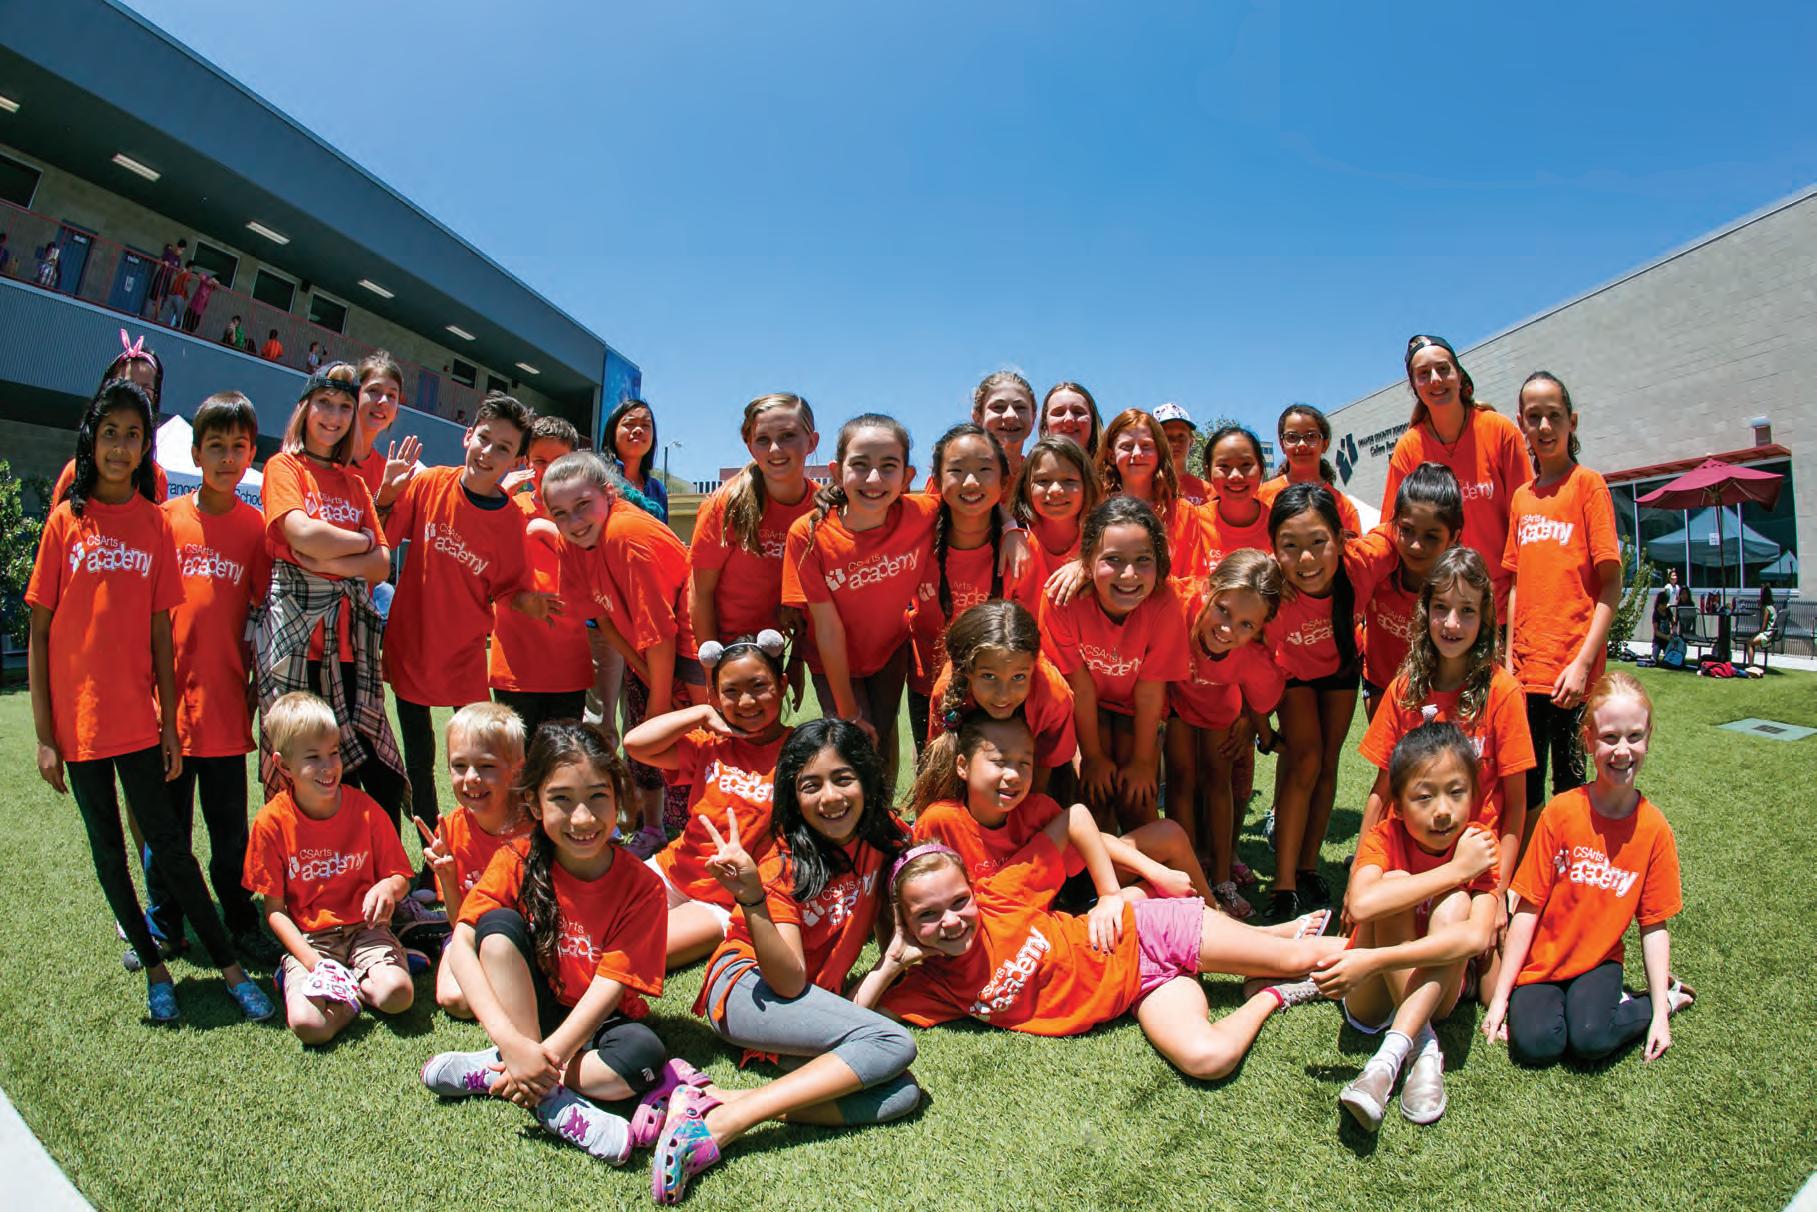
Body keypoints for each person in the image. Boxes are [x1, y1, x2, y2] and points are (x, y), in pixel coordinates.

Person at [27, 379, 273, 1025]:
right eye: (109, 432)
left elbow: (189, 625)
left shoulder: (185, 524)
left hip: (176, 714)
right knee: (127, 846)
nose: (120, 446)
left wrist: (237, 694)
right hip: (108, 721)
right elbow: (46, 627)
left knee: (197, 838)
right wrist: (46, 733)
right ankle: (159, 949)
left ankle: (232, 945)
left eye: (132, 435)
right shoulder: (89, 521)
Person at [649, 720, 919, 1203]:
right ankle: (726, 1124)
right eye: (810, 785)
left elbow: (901, 883)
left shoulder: (883, 834)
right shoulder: (782, 865)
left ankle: (710, 1101)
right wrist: (752, 899)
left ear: (867, 780)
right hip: (745, 987)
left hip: (802, 998)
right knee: (890, 1042)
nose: (830, 798)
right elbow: (789, 982)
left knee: (901, 1094)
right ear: (793, 797)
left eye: (843, 778)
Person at [859, 826, 1345, 1080]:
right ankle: (1270, 994)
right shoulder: (931, 984)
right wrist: (891, 961)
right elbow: (854, 1020)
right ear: (905, 921)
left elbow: (1074, 819)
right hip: (1141, 990)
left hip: (1149, 932)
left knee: (1300, 959)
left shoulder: (1000, 896)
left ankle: (1376, 958)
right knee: (1208, 1058)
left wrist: (1112, 895)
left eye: (958, 901)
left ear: (972, 890)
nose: (950, 921)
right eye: (927, 915)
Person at [421, 722, 671, 1165]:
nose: (583, 818)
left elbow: (611, 984)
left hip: (598, 1018)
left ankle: (509, 1072)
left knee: (644, 1059)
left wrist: (545, 1058)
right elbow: (461, 943)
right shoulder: (516, 859)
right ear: (534, 803)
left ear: (618, 797)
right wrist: (512, 1041)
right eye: (561, 799)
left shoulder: (642, 887)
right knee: (495, 930)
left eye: (597, 796)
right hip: (530, 1013)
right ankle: (544, 1093)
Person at [1481, 672, 1695, 1064]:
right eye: (1610, 737)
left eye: (1634, 736)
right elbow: (1527, 908)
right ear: (1588, 740)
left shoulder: (1654, 829)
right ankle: (1582, 1006)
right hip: (1545, 961)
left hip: (1599, 963)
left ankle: (1663, 998)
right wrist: (1500, 998)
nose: (1622, 750)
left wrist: (1659, 1018)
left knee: (1590, 1039)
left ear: (1648, 737)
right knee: (1535, 1045)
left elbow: (1653, 925)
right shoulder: (1561, 812)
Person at [142, 391, 278, 966]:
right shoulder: (165, 520)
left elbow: (264, 617)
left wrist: (255, 691)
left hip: (225, 710)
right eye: (215, 446)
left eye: (238, 447)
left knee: (229, 835)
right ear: (195, 453)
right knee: (165, 832)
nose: (227, 457)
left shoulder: (256, 531)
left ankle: (240, 920)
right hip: (166, 712)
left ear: (250, 455)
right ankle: (164, 923)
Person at [1313, 723, 1503, 1131]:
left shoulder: (1479, 843)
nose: (1443, 810)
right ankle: (1424, 1046)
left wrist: (1375, 959)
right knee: (1395, 883)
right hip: (1371, 999)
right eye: (1424, 796)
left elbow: (1475, 937)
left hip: (1434, 994)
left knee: (1456, 903)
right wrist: (1456, 871)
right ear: (1398, 805)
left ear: (1474, 794)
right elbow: (1361, 903)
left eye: (1456, 792)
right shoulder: (1386, 836)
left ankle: (1387, 1061)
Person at [383, 393, 553, 836]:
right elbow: (384, 541)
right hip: (411, 646)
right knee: (419, 756)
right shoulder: (429, 484)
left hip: (464, 656)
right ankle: (431, 849)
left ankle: (486, 839)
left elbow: (510, 587)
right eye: (484, 439)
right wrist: (385, 495)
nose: (489, 453)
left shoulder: (510, 520)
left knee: (481, 753)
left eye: (504, 448)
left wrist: (529, 601)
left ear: (515, 460)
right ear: (467, 437)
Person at [254, 363, 407, 821]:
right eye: (324, 403)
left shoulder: (355, 483)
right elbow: (301, 533)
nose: (334, 416)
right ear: (305, 409)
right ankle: (305, 859)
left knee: (379, 773)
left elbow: (381, 565)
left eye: (344, 406)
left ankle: (377, 859)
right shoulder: (284, 467)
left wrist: (329, 559)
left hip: (349, 650)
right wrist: (361, 542)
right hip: (297, 650)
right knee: (305, 774)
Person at [1354, 547, 1535, 923]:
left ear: (1485, 617)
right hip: (1407, 859)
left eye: (1467, 610)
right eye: (1441, 608)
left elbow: (1517, 804)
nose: (1452, 623)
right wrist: (1358, 875)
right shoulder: (1405, 689)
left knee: (1457, 924)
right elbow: (1381, 792)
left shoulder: (1503, 693)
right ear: (1425, 611)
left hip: (1474, 867)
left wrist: (1498, 892)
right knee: (1376, 923)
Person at [544, 450, 705, 856]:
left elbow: (663, 634)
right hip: (648, 654)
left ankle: (705, 839)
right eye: (560, 513)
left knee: (695, 748)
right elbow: (603, 619)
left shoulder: (625, 535)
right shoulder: (571, 543)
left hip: (688, 650)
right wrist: (643, 676)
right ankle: (661, 831)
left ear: (609, 493)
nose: (574, 522)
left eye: (583, 505)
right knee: (647, 746)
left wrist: (659, 705)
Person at [245, 692, 414, 1043]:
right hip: (311, 941)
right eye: (313, 757)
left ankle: (364, 978)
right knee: (309, 1026)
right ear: (283, 766)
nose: (329, 766)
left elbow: (401, 877)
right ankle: (350, 993)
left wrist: (387, 887)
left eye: (334, 752)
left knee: (398, 996)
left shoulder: (365, 809)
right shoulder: (271, 823)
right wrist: (313, 964)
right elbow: (274, 911)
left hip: (366, 929)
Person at [1262, 483, 1397, 919]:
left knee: (1327, 763)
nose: (1306, 559)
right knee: (1305, 760)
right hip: (1291, 674)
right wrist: (1260, 725)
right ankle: (1284, 885)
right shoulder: (1269, 589)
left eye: (1318, 542)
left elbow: (1406, 529)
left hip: (1340, 668)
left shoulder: (1362, 562)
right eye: (1290, 545)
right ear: (1273, 550)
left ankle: (1307, 867)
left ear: (1340, 540)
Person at [782, 414, 935, 788]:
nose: (874, 479)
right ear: (836, 472)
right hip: (832, 658)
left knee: (881, 739)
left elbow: (978, 501)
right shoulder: (809, 534)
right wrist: (848, 711)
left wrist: (1011, 528)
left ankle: (881, 816)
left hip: (889, 652)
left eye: (889, 466)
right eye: (860, 465)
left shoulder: (922, 514)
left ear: (908, 476)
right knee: (850, 743)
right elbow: (827, 628)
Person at [910, 710, 1208, 902]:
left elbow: (1092, 839)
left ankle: (1212, 909)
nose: (1013, 775)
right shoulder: (940, 822)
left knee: (1168, 833)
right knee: (1145, 897)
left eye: (1025, 763)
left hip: (1076, 886)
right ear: (962, 766)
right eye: (999, 762)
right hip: (1044, 918)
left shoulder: (1035, 808)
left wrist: (1156, 872)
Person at [623, 632, 793, 968]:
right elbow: (635, 744)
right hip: (672, 871)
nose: (746, 701)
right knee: (588, 917)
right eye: (731, 691)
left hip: (724, 899)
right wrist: (700, 712)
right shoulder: (711, 745)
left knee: (636, 950)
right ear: (715, 695)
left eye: (759, 686)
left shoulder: (799, 752)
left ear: (782, 684)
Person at [1504, 371, 1622, 832]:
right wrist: (1509, 662)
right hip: (1526, 673)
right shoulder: (1521, 499)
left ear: (1572, 421)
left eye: (1554, 415)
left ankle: (1565, 868)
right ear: (1522, 423)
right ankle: (1528, 870)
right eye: (1534, 416)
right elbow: (1515, 586)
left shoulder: (1588, 486)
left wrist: (1582, 664)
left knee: (1571, 785)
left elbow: (1610, 586)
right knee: (1525, 786)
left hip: (1573, 674)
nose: (1544, 426)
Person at [1038, 497, 1190, 831]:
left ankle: (1146, 854)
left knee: (1137, 798)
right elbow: (1080, 688)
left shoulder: (1164, 603)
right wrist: (1091, 757)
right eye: (1113, 560)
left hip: (1134, 708)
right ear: (1087, 561)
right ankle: (1093, 856)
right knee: (1094, 794)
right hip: (1084, 705)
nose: (1129, 574)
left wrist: (1143, 762)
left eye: (1143, 560)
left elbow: (1150, 693)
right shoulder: (1062, 600)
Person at [1167, 550, 1286, 919]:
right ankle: (1184, 874)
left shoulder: (1256, 658)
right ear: (1210, 589)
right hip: (1175, 701)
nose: (1228, 629)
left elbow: (1261, 699)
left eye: (1246, 624)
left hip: (1219, 708)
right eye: (1223, 610)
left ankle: (1221, 880)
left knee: (1217, 780)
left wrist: (1253, 725)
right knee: (1180, 779)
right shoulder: (1177, 602)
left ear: (1260, 629)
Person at [1383, 335, 1533, 616]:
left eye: (1443, 369)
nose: (1435, 379)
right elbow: (1391, 528)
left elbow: (1526, 521)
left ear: (1460, 375)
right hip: (1441, 610)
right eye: (1423, 374)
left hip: (1501, 605)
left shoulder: (1499, 431)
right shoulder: (1408, 447)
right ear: (1414, 386)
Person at [419, 703, 534, 1018]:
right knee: (454, 999)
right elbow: (459, 921)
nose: (471, 778)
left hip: (525, 938)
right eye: (459, 765)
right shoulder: (452, 830)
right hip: (472, 934)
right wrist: (447, 876)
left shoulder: (537, 825)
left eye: (486, 766)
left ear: (517, 770)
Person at [907, 423, 1013, 751]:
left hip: (998, 689)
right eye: (956, 470)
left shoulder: (1019, 549)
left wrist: (1012, 528)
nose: (970, 482)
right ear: (937, 481)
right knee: (933, 768)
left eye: (984, 469)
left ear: (1004, 481)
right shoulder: (916, 533)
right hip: (927, 682)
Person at [490, 415, 597, 736]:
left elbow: (597, 577)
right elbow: (478, 566)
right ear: (525, 461)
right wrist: (497, 498)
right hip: (516, 665)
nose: (549, 470)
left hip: (568, 666)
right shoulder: (508, 507)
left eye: (559, 461)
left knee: (562, 760)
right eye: (539, 461)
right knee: (517, 760)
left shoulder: (590, 515)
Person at [688, 393, 820, 651]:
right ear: (750, 447)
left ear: (812, 442)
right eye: (763, 440)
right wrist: (713, 664)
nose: (775, 449)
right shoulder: (728, 503)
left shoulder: (821, 507)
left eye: (788, 436)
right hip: (711, 642)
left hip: (767, 645)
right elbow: (700, 592)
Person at [923, 601, 1075, 796]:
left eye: (1018, 677)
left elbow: (1042, 774)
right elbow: (943, 771)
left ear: (1033, 667)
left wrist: (1025, 811)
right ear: (966, 671)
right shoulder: (946, 692)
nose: (1003, 695)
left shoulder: (1053, 698)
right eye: (989, 676)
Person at [1364, 463, 1463, 720]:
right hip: (1380, 681)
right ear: (1394, 523)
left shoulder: (1460, 585)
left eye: (1431, 536)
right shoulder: (1378, 566)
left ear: (1454, 537)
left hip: (1434, 687)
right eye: (1407, 531)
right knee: (1387, 748)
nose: (1416, 546)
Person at [1096, 408, 1209, 589]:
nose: (1137, 453)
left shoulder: (1183, 512)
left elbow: (1195, 580)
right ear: (1111, 455)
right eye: (1127, 446)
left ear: (1159, 453)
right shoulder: (1096, 509)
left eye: (1146, 446)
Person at [53, 332, 170, 505]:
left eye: (145, 392)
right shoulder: (75, 471)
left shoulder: (157, 478)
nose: (134, 400)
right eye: (126, 386)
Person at [1007, 435, 1099, 614]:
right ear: (1026, 487)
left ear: (1087, 486)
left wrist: (1087, 565)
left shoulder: (1103, 540)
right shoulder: (1016, 541)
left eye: (1069, 481)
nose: (1056, 490)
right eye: (1043, 481)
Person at [1259, 403, 1362, 535]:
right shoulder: (1261, 496)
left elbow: (1353, 547)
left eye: (1311, 436)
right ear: (1282, 445)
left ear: (1325, 444)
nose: (1302, 444)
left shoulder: (1343, 506)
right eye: (1292, 437)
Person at [348, 349, 421, 512]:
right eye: (374, 390)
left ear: (396, 412)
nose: (383, 401)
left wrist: (385, 498)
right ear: (354, 395)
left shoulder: (390, 476)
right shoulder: (321, 454)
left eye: (391, 396)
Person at [603, 397, 668, 522]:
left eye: (645, 425)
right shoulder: (596, 478)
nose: (638, 430)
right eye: (629, 424)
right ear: (612, 432)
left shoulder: (658, 490)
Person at [970, 370, 1037, 480]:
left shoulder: (1041, 478)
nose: (1011, 415)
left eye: (1020, 407)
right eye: (998, 407)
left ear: (1033, 417)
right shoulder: (959, 475)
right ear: (978, 418)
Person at [1153, 402, 1209, 506]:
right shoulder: (1144, 487)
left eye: (1181, 436)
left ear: (1191, 442)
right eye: (1168, 437)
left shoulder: (1208, 492)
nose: (1175, 442)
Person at [1039, 380, 1102, 456]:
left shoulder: (1112, 462)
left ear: (1092, 420)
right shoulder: (1030, 463)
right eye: (1059, 413)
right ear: (1045, 424)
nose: (1069, 419)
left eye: (1078, 412)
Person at [1743, 586, 1777, 666]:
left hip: (1767, 635)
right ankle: (1751, 664)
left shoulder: (1767, 609)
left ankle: (1750, 666)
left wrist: (1759, 633)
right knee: (1751, 638)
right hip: (1772, 633)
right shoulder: (1771, 607)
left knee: (1749, 643)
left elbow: (1764, 625)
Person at [181, 268, 214, 334]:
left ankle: (189, 335)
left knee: (192, 327)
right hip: (192, 306)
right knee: (185, 323)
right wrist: (206, 280)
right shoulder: (204, 281)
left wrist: (213, 281)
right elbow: (200, 275)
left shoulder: (212, 286)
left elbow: (218, 285)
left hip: (199, 311)